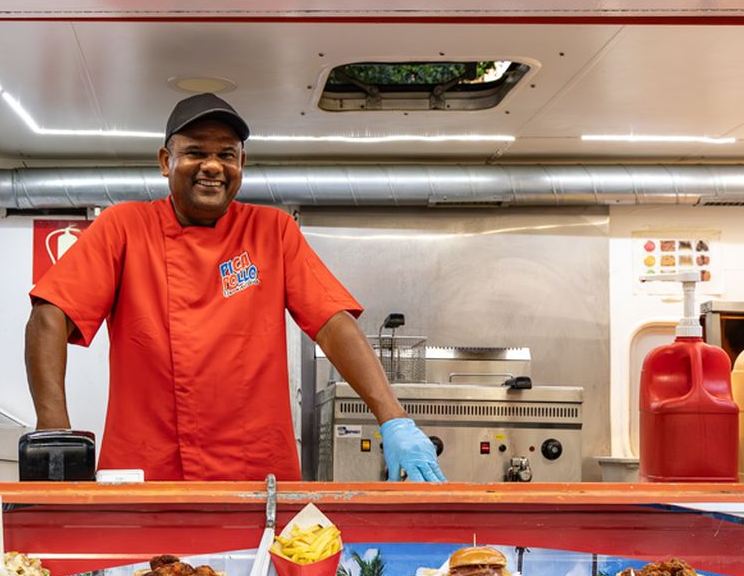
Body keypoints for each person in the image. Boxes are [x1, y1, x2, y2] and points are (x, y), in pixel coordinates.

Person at [26, 93, 446, 482]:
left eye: (226, 154)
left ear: (241, 163)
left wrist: (393, 418)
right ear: (165, 161)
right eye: (196, 152)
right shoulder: (124, 227)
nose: (212, 166)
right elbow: (50, 316)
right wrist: (54, 435)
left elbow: (333, 324)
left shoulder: (272, 231)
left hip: (255, 475)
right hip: (150, 473)